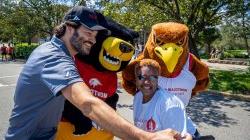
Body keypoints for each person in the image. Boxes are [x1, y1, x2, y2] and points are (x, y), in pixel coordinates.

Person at [5, 6, 192, 140]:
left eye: (96, 35)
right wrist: (146, 137)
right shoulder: (53, 57)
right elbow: (88, 104)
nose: (93, 40)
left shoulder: (64, 54)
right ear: (70, 27)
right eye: (88, 32)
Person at [133, 59, 188, 135]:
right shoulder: (138, 97)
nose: (147, 82)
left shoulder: (170, 105)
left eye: (152, 77)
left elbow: (176, 137)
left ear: (158, 79)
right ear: (135, 79)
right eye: (141, 77)